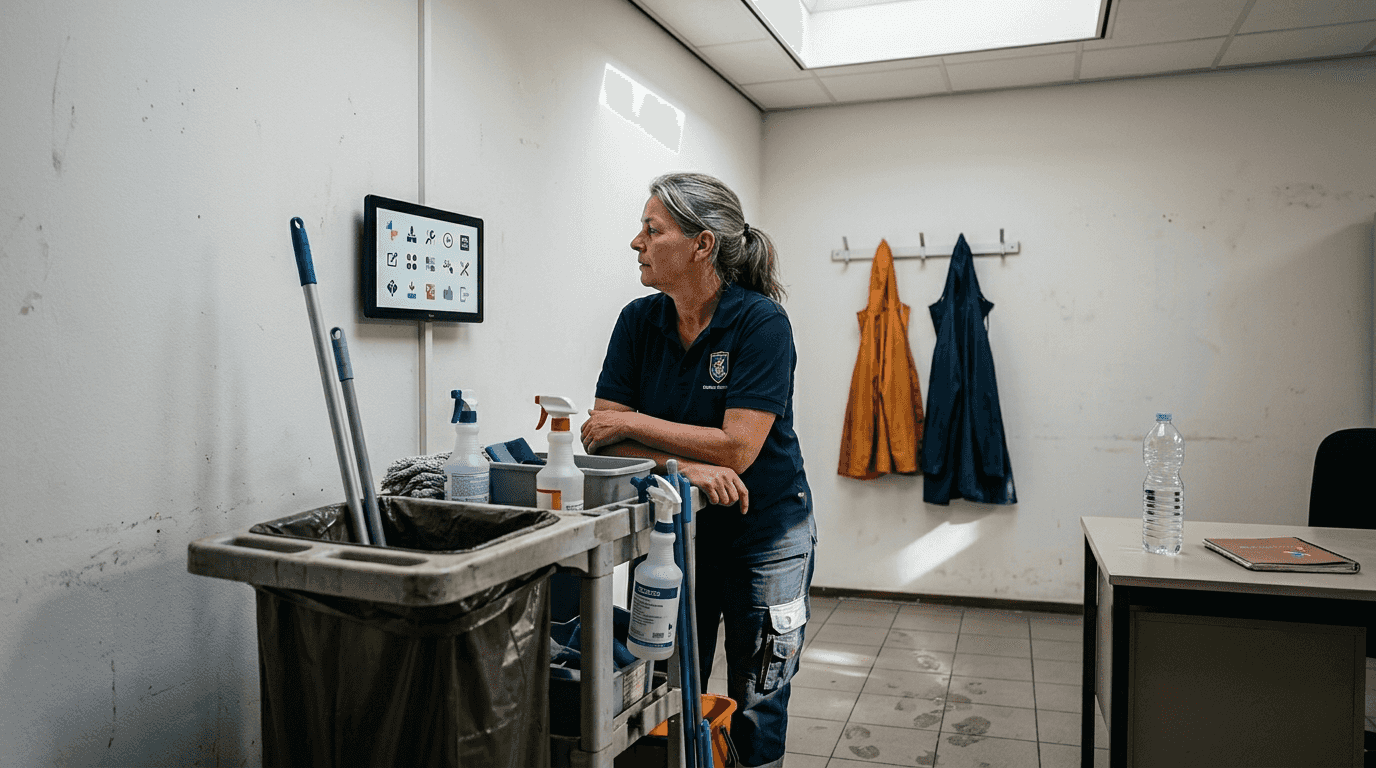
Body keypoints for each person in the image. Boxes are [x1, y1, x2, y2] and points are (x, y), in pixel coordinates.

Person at [582, 172, 815, 768]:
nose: (637, 242)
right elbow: (600, 439)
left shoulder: (761, 324)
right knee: (662, 685)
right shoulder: (639, 321)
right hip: (671, 535)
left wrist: (636, 425)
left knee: (757, 702)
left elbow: (737, 448)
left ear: (702, 244)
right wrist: (681, 462)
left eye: (652, 229)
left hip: (762, 538)